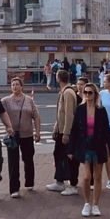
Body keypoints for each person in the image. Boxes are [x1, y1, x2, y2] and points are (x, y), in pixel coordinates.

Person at [69, 83, 110, 217]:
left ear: (95, 95)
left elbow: (107, 131)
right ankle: (86, 203)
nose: (88, 95)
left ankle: (95, 204)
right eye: (86, 93)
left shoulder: (101, 110)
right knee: (86, 177)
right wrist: (71, 150)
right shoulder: (80, 109)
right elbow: (74, 130)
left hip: (98, 146)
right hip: (84, 146)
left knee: (98, 176)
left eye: (90, 93)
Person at [2, 77, 41, 198]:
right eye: (12, 85)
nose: (14, 87)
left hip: (27, 134)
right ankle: (14, 188)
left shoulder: (29, 100)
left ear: (21, 86)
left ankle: (29, 182)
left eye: (17, 84)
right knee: (13, 162)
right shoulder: (6, 101)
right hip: (13, 135)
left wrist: (37, 132)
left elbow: (36, 116)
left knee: (28, 159)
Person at [46, 68, 79, 196]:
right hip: (61, 130)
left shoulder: (68, 93)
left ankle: (73, 184)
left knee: (69, 157)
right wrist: (56, 127)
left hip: (67, 131)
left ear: (58, 78)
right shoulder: (64, 92)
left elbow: (69, 114)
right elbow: (61, 114)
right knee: (59, 155)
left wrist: (66, 133)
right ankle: (59, 181)